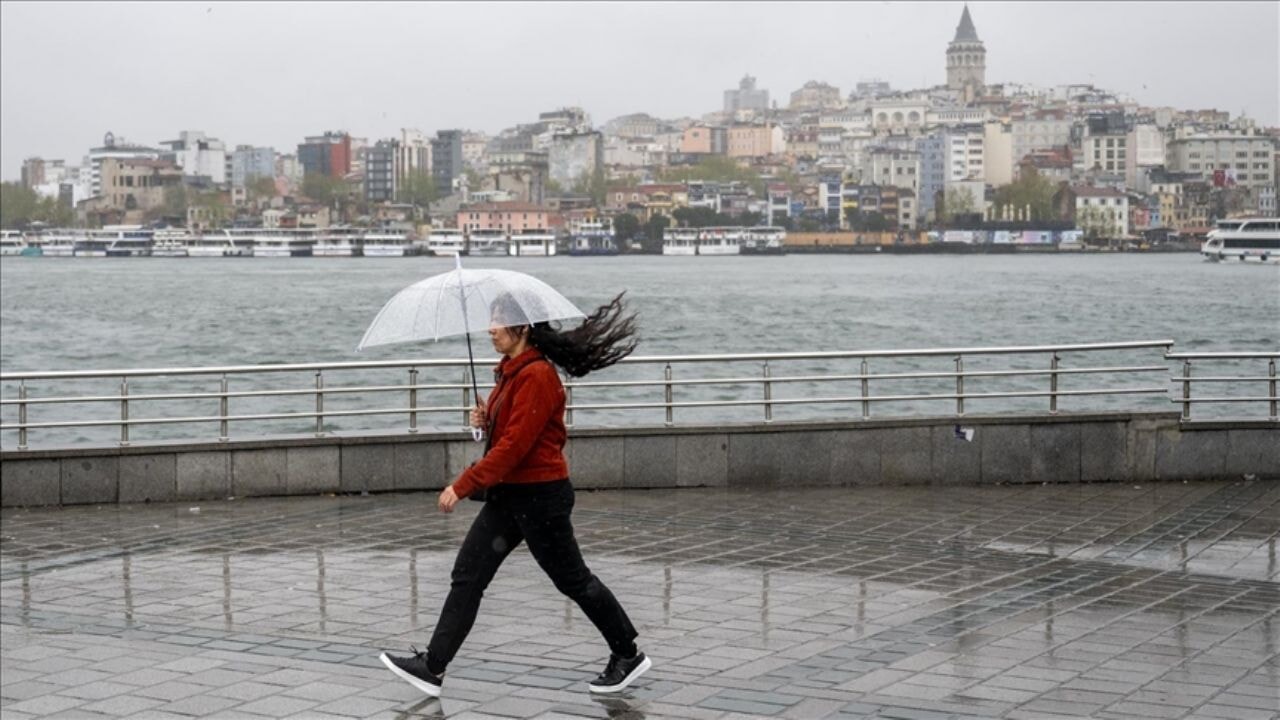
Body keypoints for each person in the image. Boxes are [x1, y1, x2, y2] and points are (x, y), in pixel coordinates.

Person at [379, 292, 650, 698]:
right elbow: (509, 434)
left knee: (573, 580)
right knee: (468, 575)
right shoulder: (511, 373)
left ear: (522, 328)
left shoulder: (537, 375)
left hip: (541, 498)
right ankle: (433, 667)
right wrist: (484, 420)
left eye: (498, 321)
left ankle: (627, 654)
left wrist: (462, 485)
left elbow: (513, 449)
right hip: (510, 497)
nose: (490, 329)